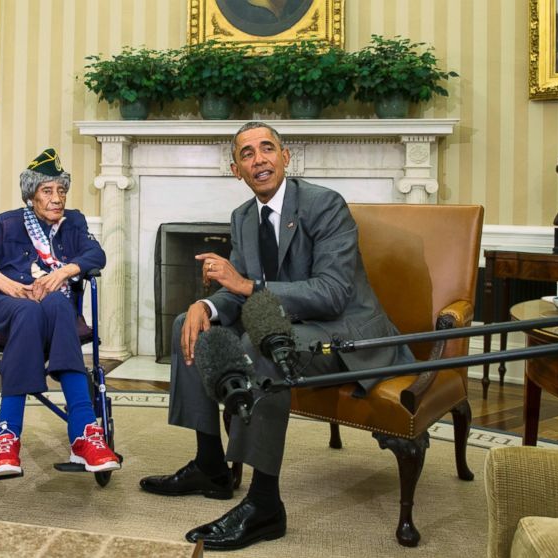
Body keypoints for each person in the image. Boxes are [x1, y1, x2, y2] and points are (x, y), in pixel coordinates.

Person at [139, 122, 414, 550]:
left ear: (285, 157)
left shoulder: (324, 205)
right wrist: (206, 306)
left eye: (267, 148)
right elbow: (238, 292)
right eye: (247, 154)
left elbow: (332, 293)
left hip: (343, 332)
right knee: (188, 325)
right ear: (237, 170)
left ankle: (265, 505)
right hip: (288, 323)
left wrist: (246, 285)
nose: (259, 159)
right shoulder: (243, 217)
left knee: (261, 345)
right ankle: (210, 466)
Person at [0, 147, 120, 477]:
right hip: (4, 302)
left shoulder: (73, 223)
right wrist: (3, 282)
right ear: (31, 196)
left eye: (61, 190)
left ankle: (82, 434)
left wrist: (63, 272)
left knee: (57, 302)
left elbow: (96, 255)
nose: (57, 198)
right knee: (30, 310)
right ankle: (11, 434)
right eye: (47, 191)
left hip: (49, 308)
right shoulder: (9, 223)